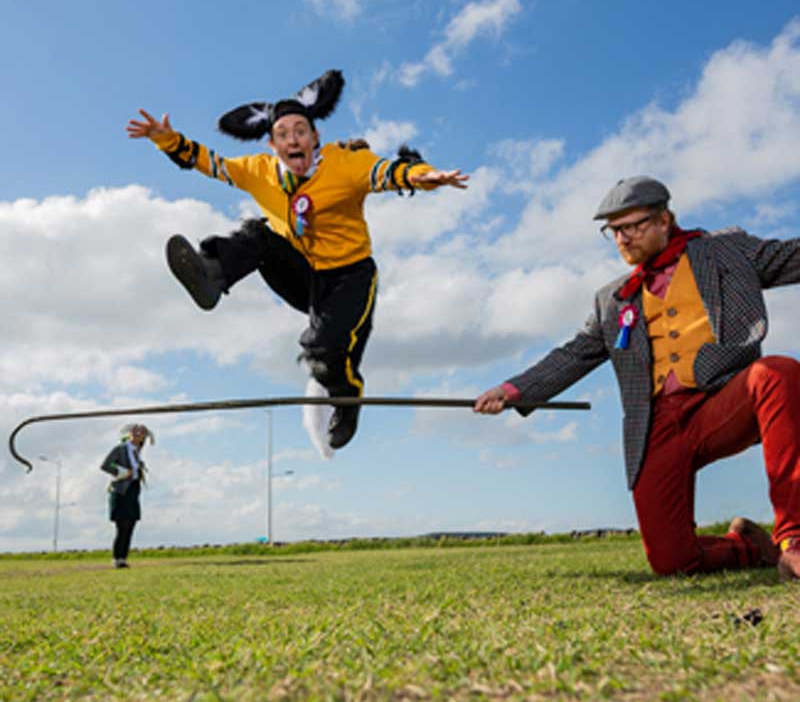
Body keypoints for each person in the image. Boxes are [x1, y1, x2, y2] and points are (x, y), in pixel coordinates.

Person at [474, 176, 800, 582]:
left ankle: (793, 540)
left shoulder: (725, 250)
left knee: (778, 373)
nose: (623, 238)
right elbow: (573, 354)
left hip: (721, 401)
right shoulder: (612, 298)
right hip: (656, 423)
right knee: (672, 562)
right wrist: (511, 390)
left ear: (666, 219)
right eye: (614, 230)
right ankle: (750, 546)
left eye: (634, 226)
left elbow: (791, 256)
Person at [126, 70, 468, 450]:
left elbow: (386, 171)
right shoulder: (259, 171)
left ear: (315, 137)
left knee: (324, 353)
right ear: (272, 143)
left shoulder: (344, 162)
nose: (294, 141)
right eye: (284, 135)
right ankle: (212, 274)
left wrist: (424, 175)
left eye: (301, 132)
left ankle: (347, 398)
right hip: (303, 275)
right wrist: (167, 140)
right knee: (258, 234)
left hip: (349, 278)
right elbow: (212, 163)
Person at [100, 423, 153, 568]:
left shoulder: (137, 452)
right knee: (122, 525)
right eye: (135, 431)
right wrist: (123, 472)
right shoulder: (120, 449)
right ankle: (116, 558)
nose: (138, 433)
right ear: (129, 433)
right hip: (120, 490)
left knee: (131, 525)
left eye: (141, 432)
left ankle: (123, 558)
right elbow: (106, 465)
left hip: (133, 491)